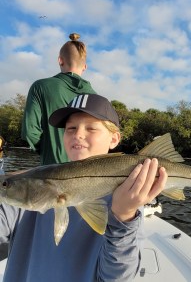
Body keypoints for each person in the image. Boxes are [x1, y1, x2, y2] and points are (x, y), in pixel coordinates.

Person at [0, 93, 168, 282]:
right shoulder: (28, 184)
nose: (78, 134)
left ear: (114, 139)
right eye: (71, 128)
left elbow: (116, 277)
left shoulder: (128, 195)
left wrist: (124, 216)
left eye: (91, 128)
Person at [21, 33, 96, 165]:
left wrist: (47, 150)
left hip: (51, 170)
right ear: (85, 66)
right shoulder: (96, 97)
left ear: (60, 60)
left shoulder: (40, 86)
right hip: (85, 174)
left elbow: (30, 132)